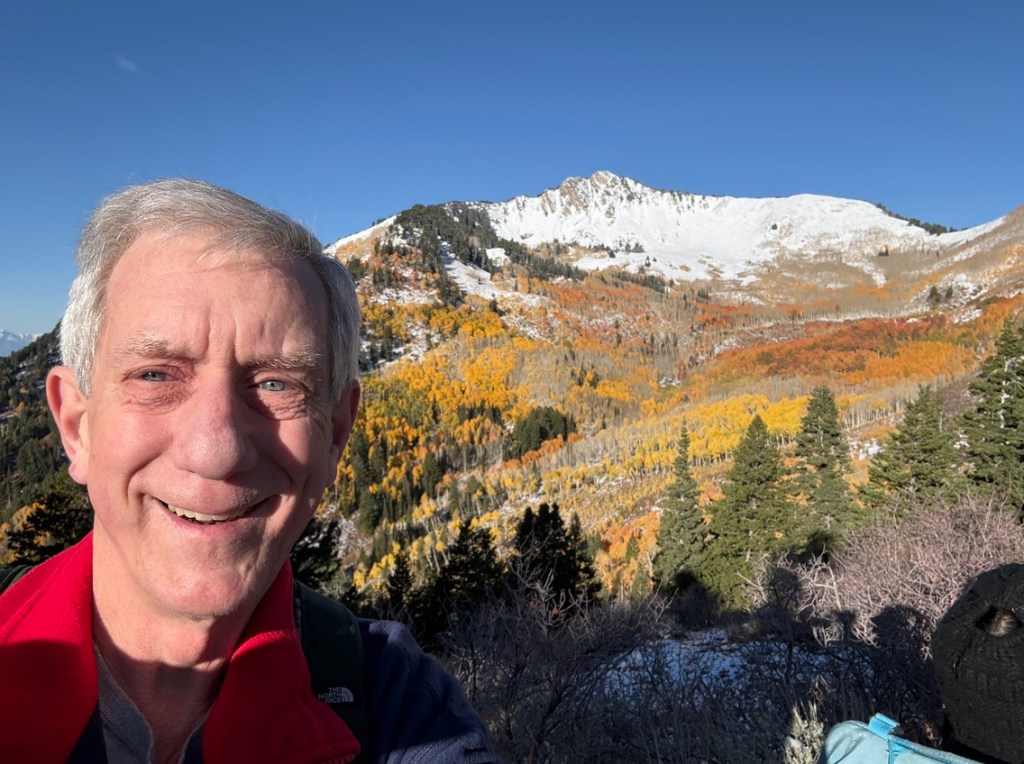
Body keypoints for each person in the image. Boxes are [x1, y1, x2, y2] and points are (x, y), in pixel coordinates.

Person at [0, 179, 499, 763]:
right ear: (75, 424)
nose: (217, 449)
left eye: (276, 383)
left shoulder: (399, 708)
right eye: (156, 376)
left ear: (335, 433)